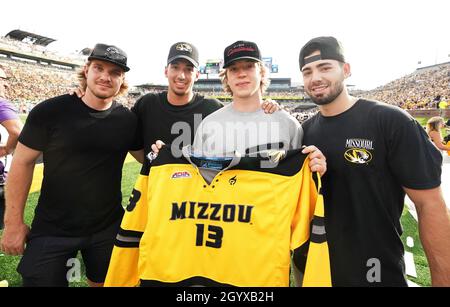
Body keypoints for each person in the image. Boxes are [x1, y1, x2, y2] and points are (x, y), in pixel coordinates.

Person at [298, 36, 450, 286]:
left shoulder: (390, 121)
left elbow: (430, 205)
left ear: (345, 70)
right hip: (318, 269)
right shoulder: (303, 132)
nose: (315, 78)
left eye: (325, 67)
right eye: (307, 71)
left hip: (377, 271)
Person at [0, 43, 140, 287]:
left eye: (115, 72)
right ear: (86, 70)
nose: (106, 77)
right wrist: (13, 224)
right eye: (99, 68)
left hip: (107, 228)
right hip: (53, 229)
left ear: (123, 79)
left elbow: (148, 157)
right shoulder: (50, 111)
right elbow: (22, 162)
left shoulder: (127, 119)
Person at [0, 65, 23, 230]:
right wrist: (7, 149)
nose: (5, 84)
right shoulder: (1, 104)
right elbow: (17, 132)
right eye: (2, 79)